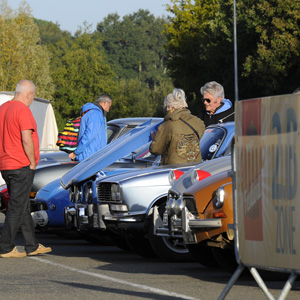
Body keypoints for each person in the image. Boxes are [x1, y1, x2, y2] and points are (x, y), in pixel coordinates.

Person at [0, 80, 52, 258]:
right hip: (21, 164)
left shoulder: (3, 109)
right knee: (16, 206)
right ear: (28, 94)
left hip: (6, 164)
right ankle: (5, 246)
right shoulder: (22, 110)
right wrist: (32, 162)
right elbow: (26, 138)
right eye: (32, 96)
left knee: (21, 205)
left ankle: (32, 245)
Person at [150, 88, 205, 165]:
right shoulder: (198, 122)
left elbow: (155, 150)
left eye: (166, 108)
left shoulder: (167, 125)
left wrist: (155, 139)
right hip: (195, 168)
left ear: (171, 108)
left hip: (174, 171)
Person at [69, 93, 113, 162]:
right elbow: (89, 136)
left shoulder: (94, 113)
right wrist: (76, 152)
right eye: (109, 106)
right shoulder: (96, 114)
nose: (108, 110)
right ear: (105, 103)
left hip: (91, 156)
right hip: (89, 158)